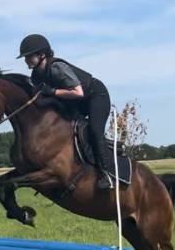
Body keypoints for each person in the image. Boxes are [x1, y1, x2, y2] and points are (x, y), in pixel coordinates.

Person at [17, 34, 114, 189]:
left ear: (42, 54)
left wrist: (53, 92)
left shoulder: (57, 68)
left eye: (29, 56)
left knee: (95, 131)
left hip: (95, 96)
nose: (26, 60)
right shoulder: (36, 75)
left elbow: (78, 93)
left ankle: (106, 174)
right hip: (76, 102)